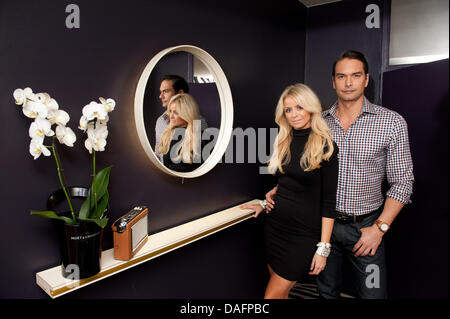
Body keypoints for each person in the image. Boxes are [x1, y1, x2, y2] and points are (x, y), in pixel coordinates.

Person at [265, 51, 414, 299]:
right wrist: (280, 190)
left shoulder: (391, 122)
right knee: (326, 294)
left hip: (366, 227)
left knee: (374, 294)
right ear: (333, 82)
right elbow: (303, 171)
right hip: (322, 229)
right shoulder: (316, 121)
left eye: (355, 75)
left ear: (366, 79)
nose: (348, 83)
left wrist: (380, 228)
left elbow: (403, 182)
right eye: (341, 76)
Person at [240, 83, 339, 299]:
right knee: (282, 295)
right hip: (275, 229)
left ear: (311, 108)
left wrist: (323, 248)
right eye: (288, 110)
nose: (294, 115)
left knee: (271, 297)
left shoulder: (326, 146)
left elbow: (328, 203)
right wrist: (265, 203)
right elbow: (288, 183)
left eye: (299, 108)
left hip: (303, 236)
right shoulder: (283, 140)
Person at [155, 75, 207, 162]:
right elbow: (158, 153)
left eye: (165, 91)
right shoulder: (160, 121)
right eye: (161, 92)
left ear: (180, 93)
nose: (161, 96)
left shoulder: (198, 122)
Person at [157, 93, 205, 172]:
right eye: (170, 111)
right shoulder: (168, 135)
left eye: (176, 112)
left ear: (187, 113)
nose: (171, 116)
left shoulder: (202, 137)